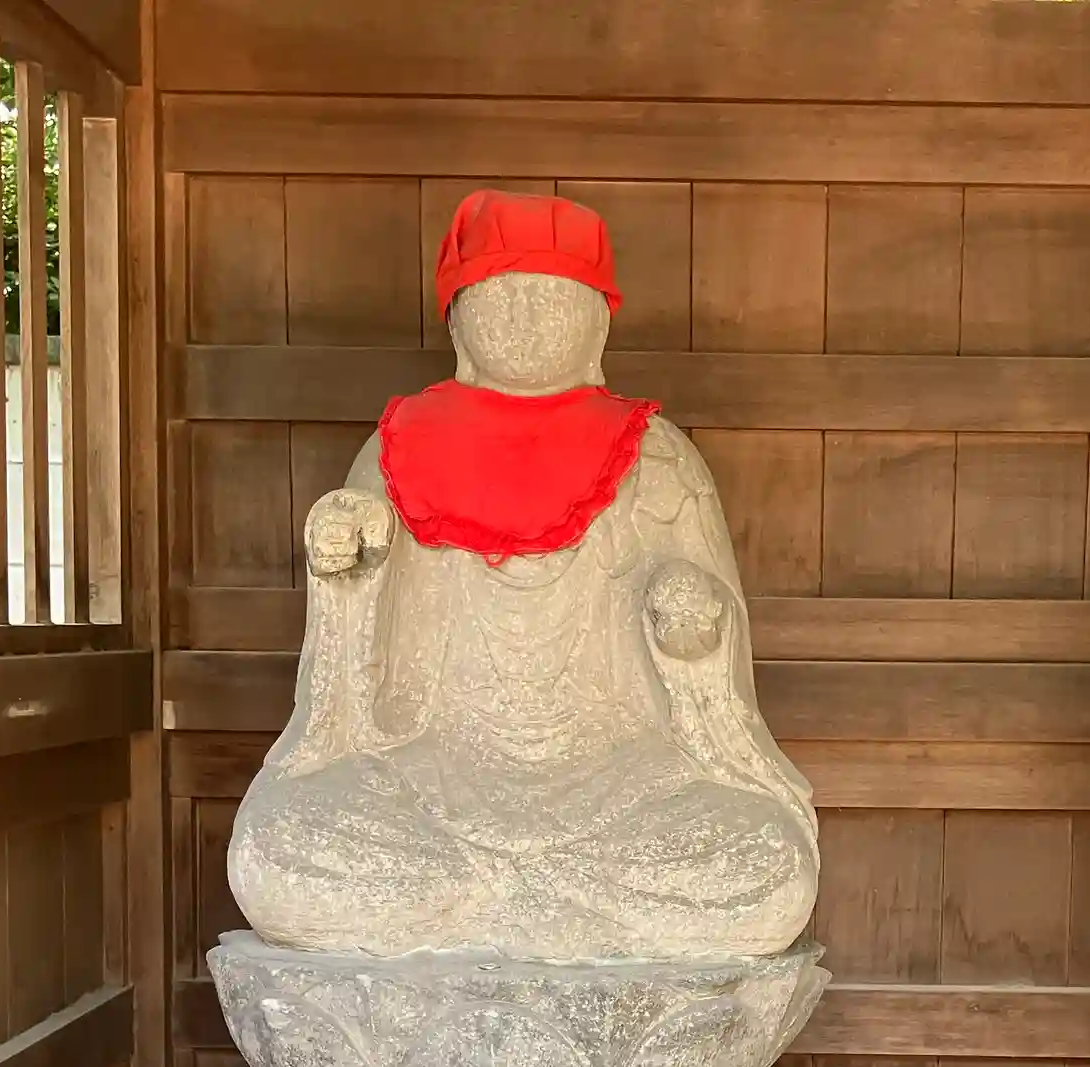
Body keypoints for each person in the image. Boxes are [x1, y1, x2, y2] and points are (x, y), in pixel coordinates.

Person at [228, 190, 817, 962]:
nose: (526, 318)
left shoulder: (658, 454)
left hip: (620, 778)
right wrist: (345, 578)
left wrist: (693, 635)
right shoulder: (393, 449)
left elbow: (715, 674)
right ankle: (555, 909)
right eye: (502, 296)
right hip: (433, 772)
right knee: (271, 846)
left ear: (597, 322)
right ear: (458, 320)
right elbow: (346, 697)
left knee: (770, 863)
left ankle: (476, 905)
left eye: (551, 297)